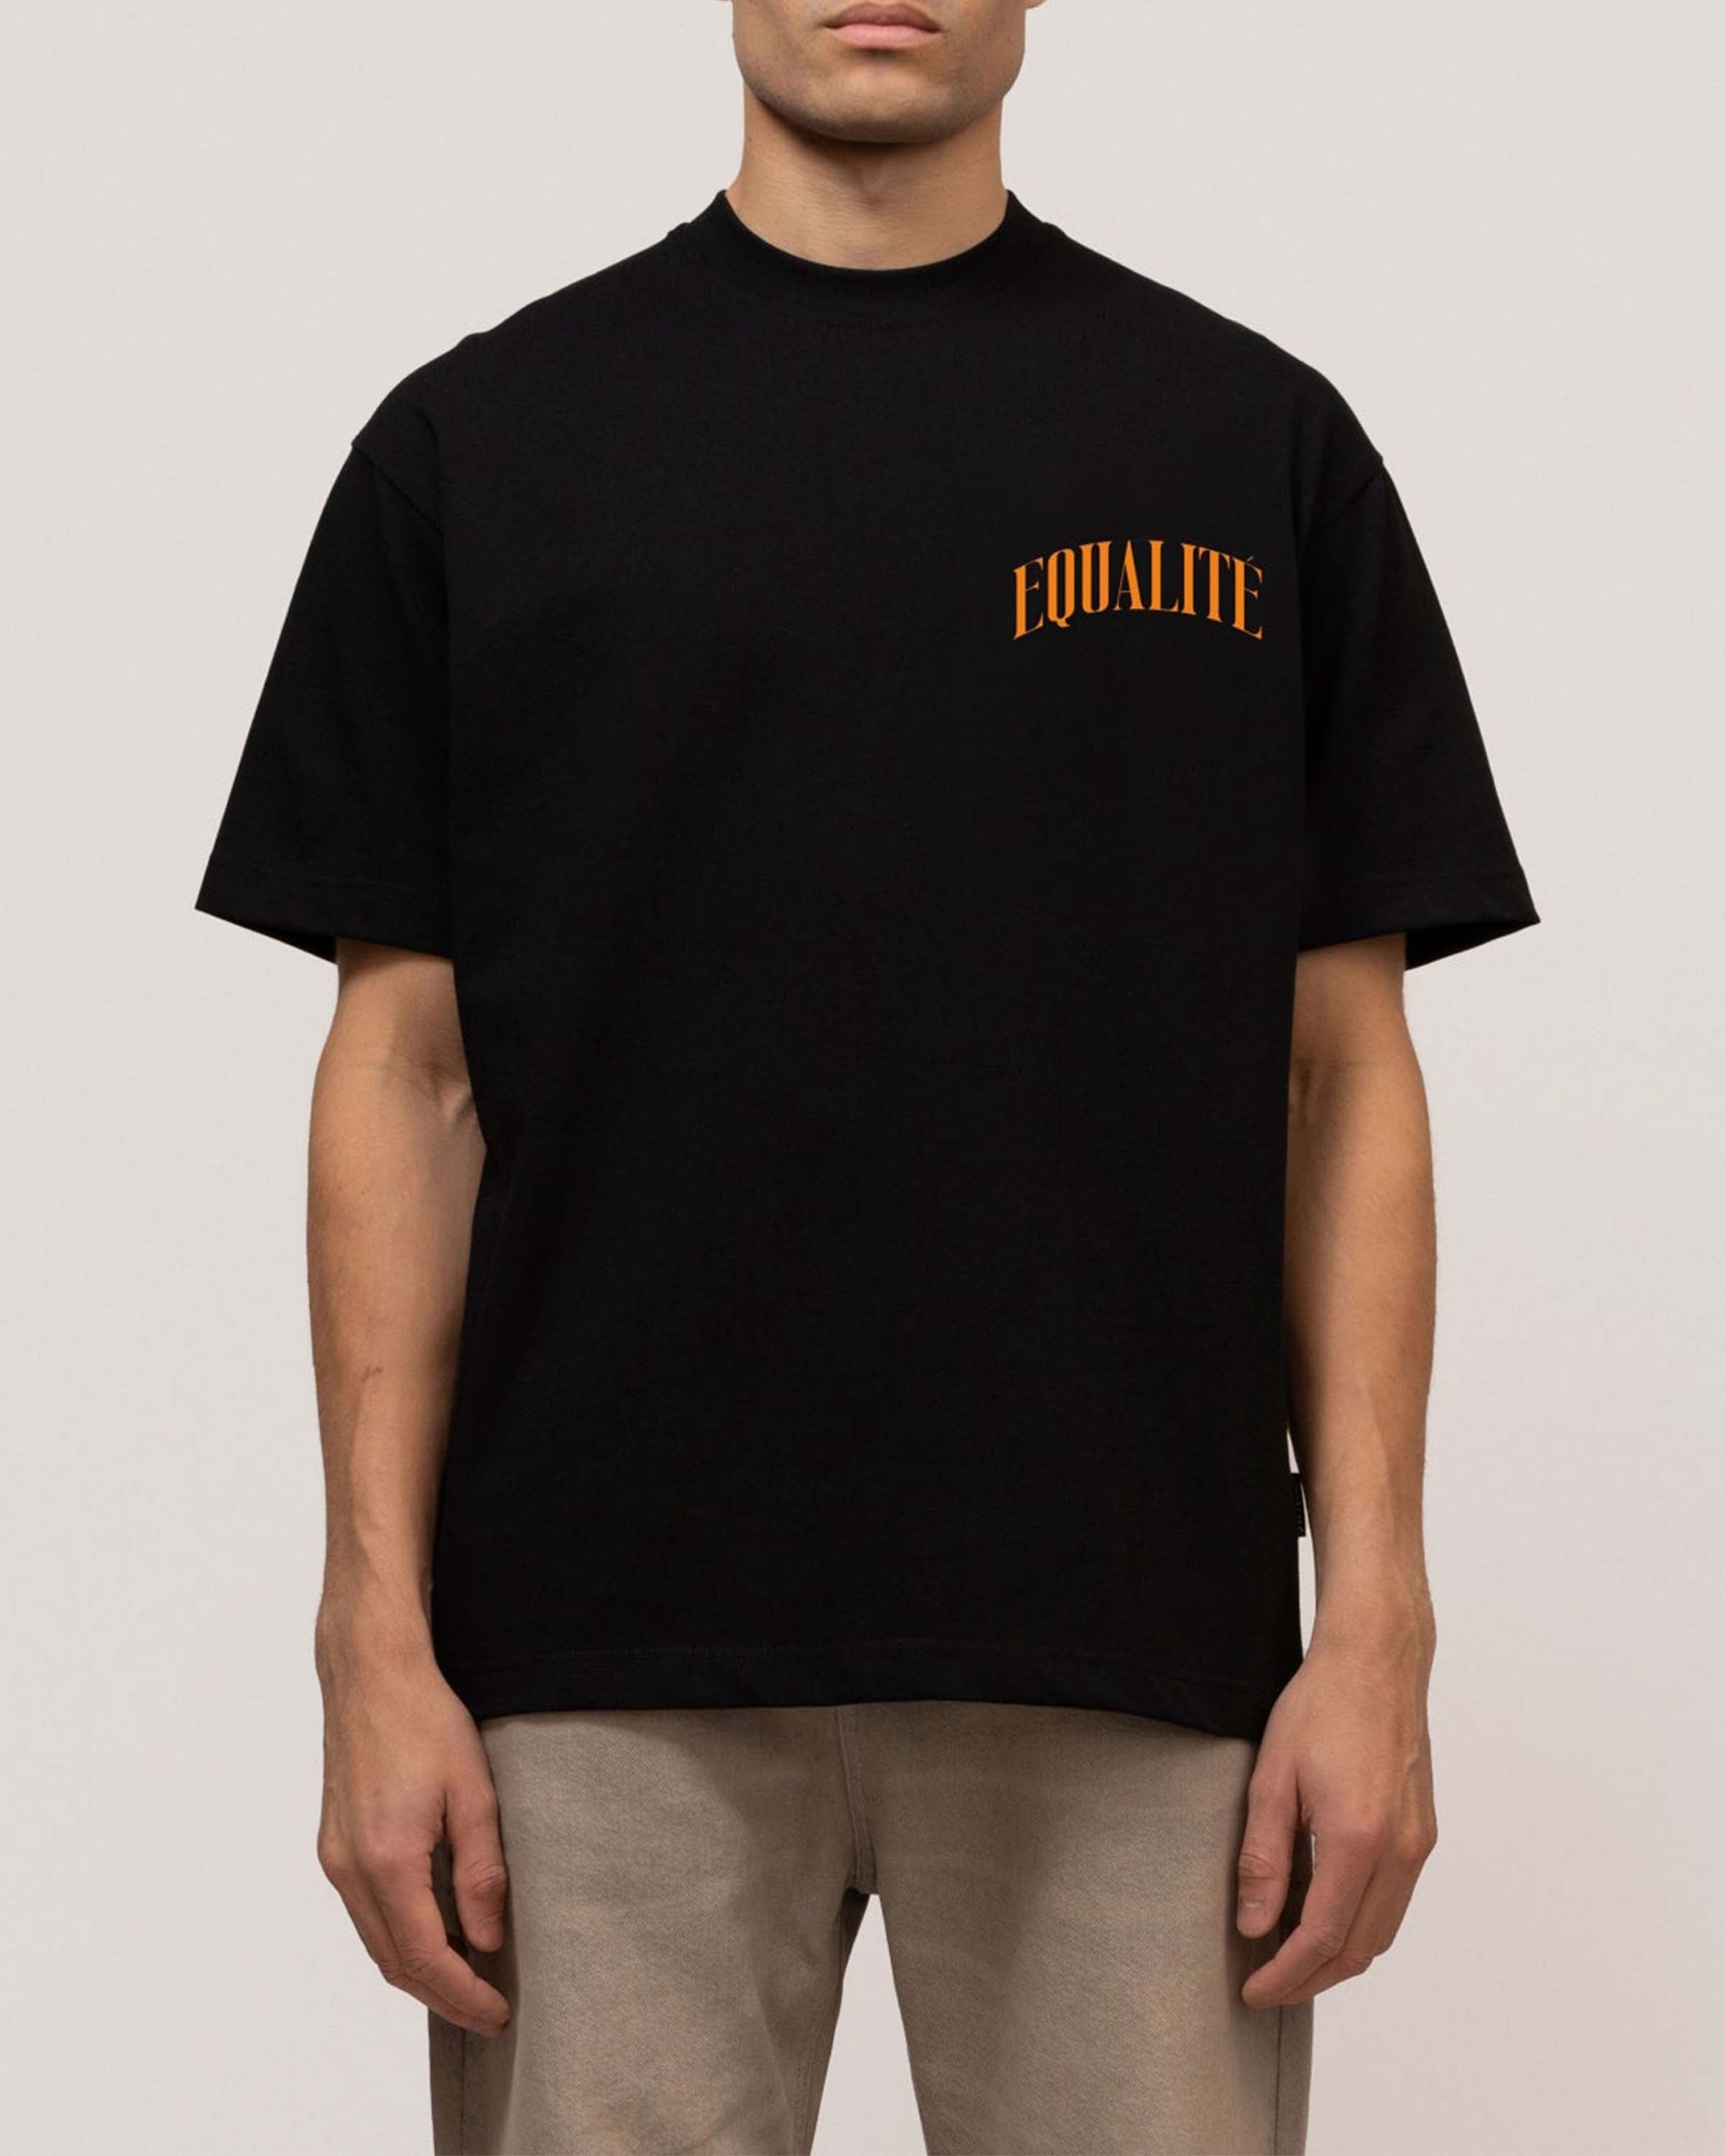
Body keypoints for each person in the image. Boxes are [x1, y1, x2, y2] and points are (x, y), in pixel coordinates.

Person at [196, 2, 1538, 2150]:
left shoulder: (1248, 446)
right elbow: (406, 1073)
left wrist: (1379, 1619)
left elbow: (1341, 1079)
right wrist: (371, 1630)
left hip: (1129, 1640)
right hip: (595, 1661)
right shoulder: (483, 448)